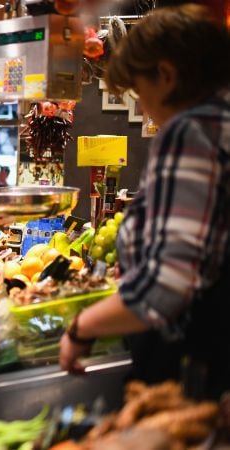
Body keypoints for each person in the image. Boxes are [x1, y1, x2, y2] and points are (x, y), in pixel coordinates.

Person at [59, 6, 230, 399]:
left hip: (192, 364)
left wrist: (82, 327)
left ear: (167, 76)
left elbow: (167, 286)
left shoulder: (190, 133)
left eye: (139, 90)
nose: (144, 107)